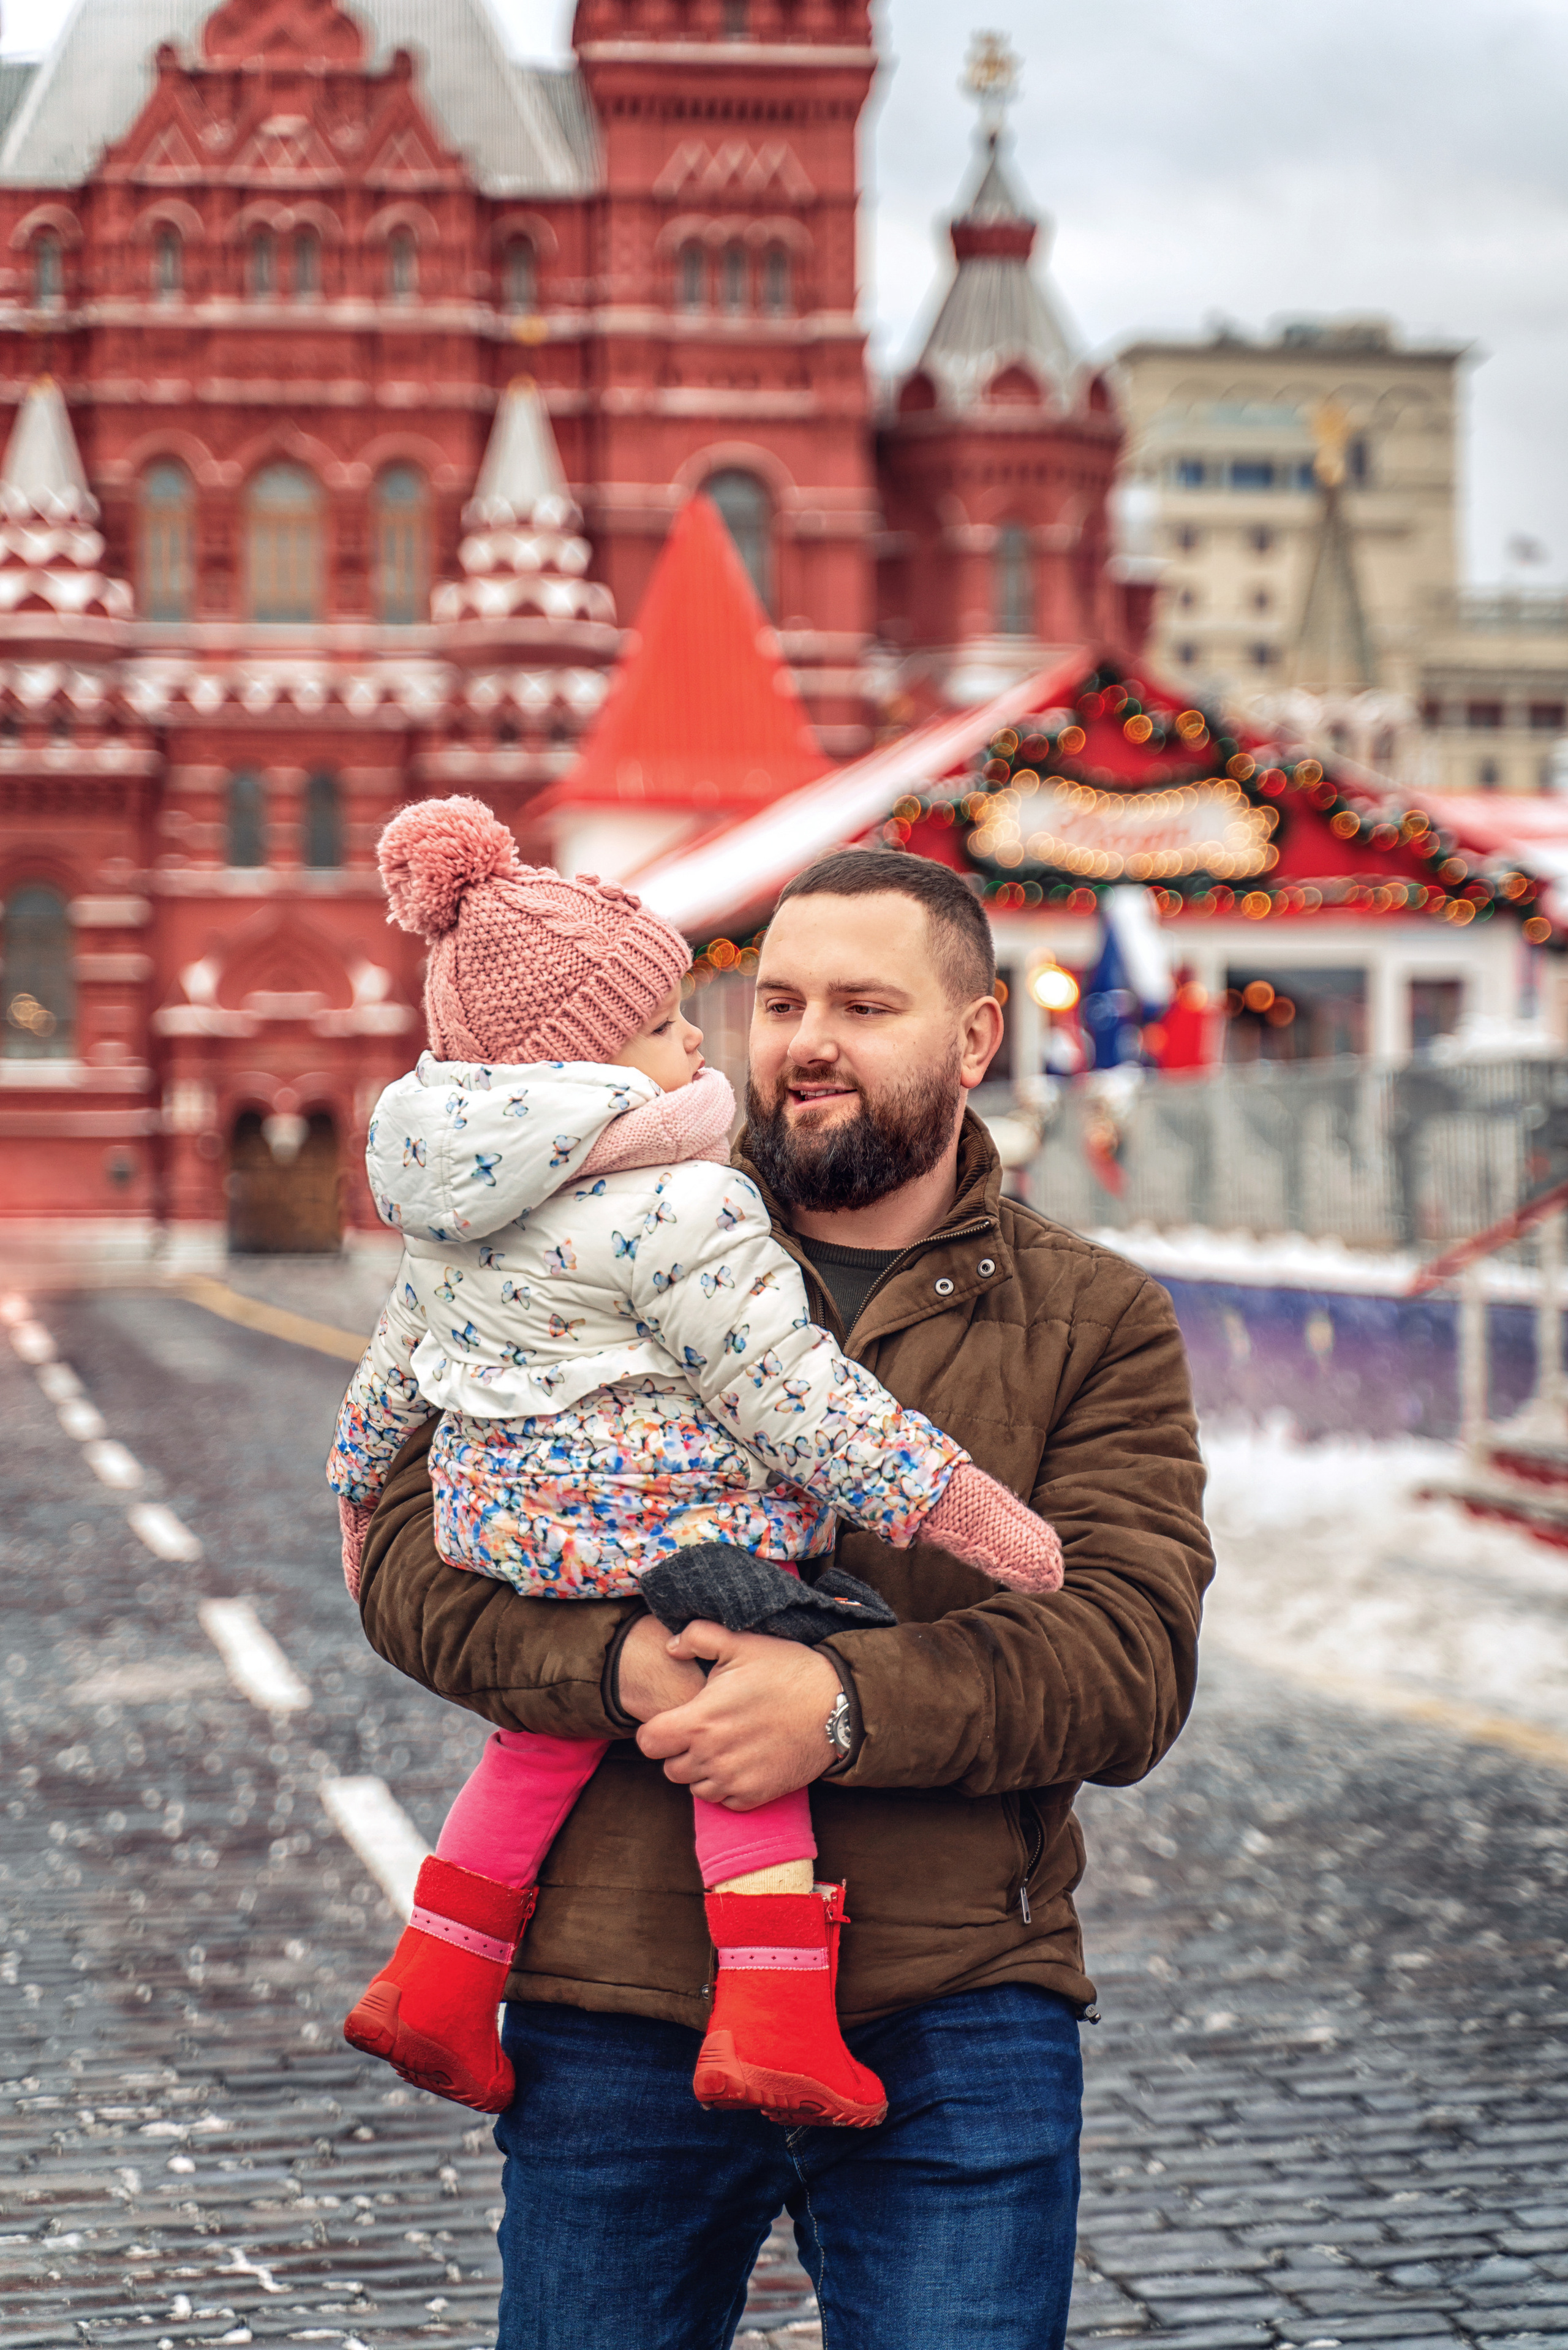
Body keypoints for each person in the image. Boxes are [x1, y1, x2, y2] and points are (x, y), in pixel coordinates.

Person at [354, 843, 1213, 2350]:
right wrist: (618, 1667)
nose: (803, 1038)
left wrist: (836, 1706)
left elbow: (1124, 1657)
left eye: (864, 1003)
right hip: (618, 1995)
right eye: (778, 999)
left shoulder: (1089, 1317)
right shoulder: (584, 1227)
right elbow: (418, 1568)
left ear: (972, 1035)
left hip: (956, 2001)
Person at [327, 799, 1063, 2130]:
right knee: (745, 1721)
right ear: (596, 1063)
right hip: (683, 1551)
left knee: (525, 1752)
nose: (714, 1041)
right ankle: (773, 2017)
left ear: (971, 1034)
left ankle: (432, 1978)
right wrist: (966, 1509)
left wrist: (354, 1481)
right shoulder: (689, 1201)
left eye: (862, 1004)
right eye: (703, 1015)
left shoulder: (457, 1210)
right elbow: (796, 1398)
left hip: (514, 1536)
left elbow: (392, 1375)